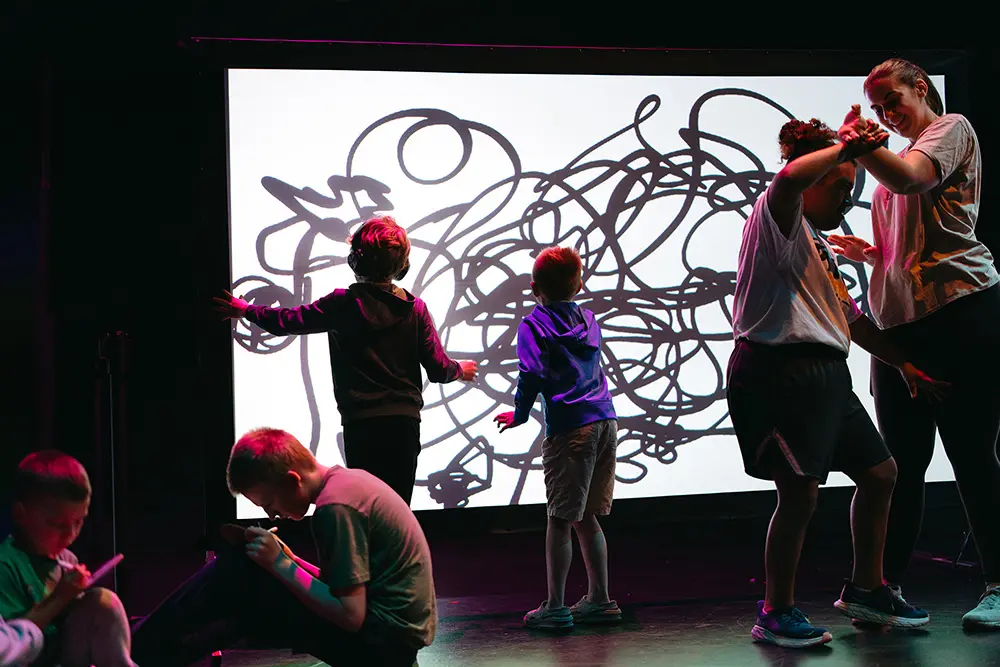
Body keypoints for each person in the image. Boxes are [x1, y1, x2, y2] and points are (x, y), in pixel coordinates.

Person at [727, 117, 943, 648]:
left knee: (881, 474)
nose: (849, 201)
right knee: (798, 495)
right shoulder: (776, 216)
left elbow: (849, 316)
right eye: (843, 187)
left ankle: (867, 589)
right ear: (816, 176)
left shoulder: (818, 245)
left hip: (826, 375)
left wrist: (903, 363)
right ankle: (775, 611)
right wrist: (847, 144)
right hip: (781, 371)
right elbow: (787, 182)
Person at [828, 58, 1000, 630]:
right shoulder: (894, 164)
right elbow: (911, 241)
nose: (885, 116)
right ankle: (883, 588)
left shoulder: (950, 130)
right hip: (902, 327)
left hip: (961, 313)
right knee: (897, 467)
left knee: (973, 456)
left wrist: (857, 140)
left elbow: (913, 181)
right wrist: (872, 255)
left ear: (920, 88)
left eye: (891, 101)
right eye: (876, 110)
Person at [215, 214, 477, 505]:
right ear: (402, 266)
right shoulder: (415, 309)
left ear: (356, 261)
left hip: (361, 424)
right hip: (403, 424)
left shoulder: (342, 304)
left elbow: (285, 322)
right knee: (395, 511)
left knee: (366, 509)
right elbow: (439, 369)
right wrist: (459, 370)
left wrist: (246, 309)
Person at [131, 427, 435, 666]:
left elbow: (351, 615)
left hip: (383, 645)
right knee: (245, 606)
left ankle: (132, 646)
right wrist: (289, 559)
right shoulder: (349, 483)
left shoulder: (335, 508)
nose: (272, 514)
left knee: (239, 568)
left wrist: (280, 565)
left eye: (268, 503)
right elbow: (344, 586)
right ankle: (136, 649)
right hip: (391, 639)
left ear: (292, 481)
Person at [494, 246, 621, 631]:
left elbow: (530, 374)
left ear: (533, 287)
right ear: (578, 283)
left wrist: (518, 414)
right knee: (587, 516)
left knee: (560, 518)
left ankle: (555, 605)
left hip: (571, 428)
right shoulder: (589, 319)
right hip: (605, 422)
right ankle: (600, 598)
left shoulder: (534, 325)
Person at [0, 451, 136, 666]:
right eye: (57, 524)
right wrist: (60, 597)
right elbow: (12, 646)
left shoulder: (66, 559)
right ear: (20, 514)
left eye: (79, 522)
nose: (70, 534)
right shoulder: (6, 565)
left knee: (103, 601)